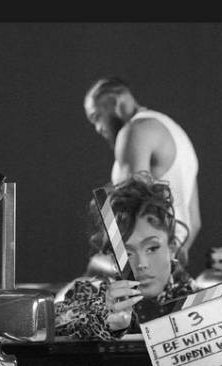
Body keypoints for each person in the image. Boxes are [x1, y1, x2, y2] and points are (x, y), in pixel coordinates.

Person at [55, 174, 222, 343]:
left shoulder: (201, 298)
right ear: (114, 258)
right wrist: (105, 318)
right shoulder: (92, 293)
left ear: (172, 247)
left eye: (152, 248)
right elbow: (58, 320)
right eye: (129, 252)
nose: (142, 264)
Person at [84, 77, 201, 252]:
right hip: (166, 257)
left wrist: (118, 264)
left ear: (115, 102)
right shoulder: (175, 131)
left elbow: (128, 212)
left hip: (142, 259)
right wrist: (171, 261)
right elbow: (194, 222)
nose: (98, 128)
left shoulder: (135, 130)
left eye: (96, 117)